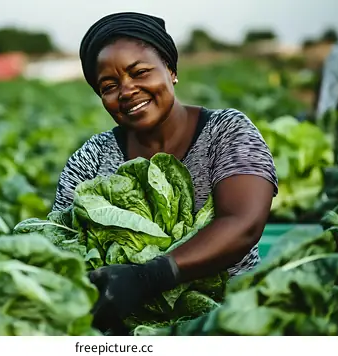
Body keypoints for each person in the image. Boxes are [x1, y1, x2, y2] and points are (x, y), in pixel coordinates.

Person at [50, 12, 278, 332]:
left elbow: (243, 223)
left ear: (171, 71)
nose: (127, 90)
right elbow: (62, 246)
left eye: (140, 72)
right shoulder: (90, 160)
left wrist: (150, 277)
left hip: (230, 320)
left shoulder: (226, 131)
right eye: (109, 85)